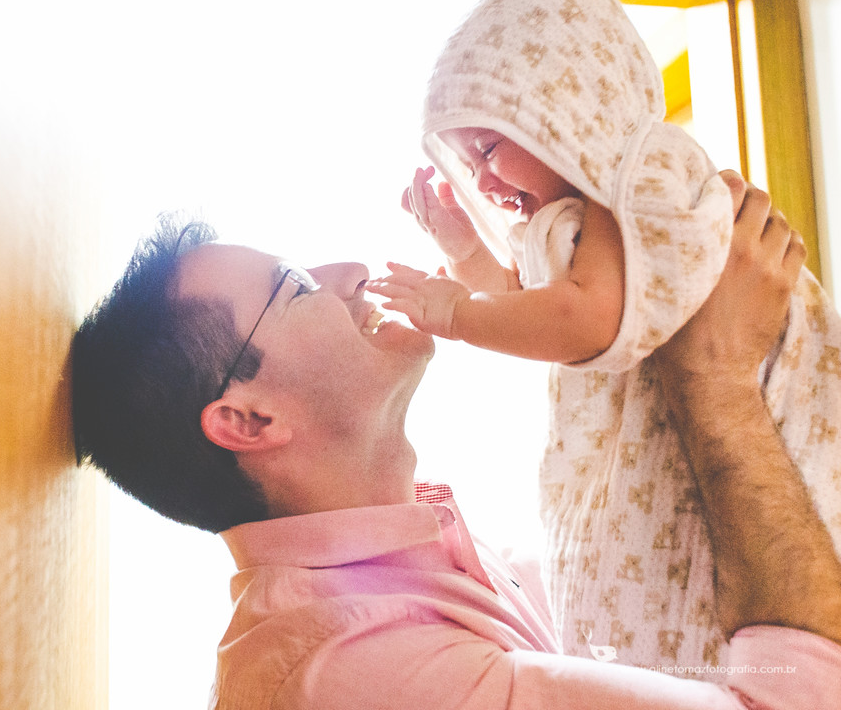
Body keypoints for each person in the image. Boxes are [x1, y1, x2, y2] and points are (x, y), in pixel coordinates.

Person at [72, 176, 841, 709]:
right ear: (249, 420)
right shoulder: (348, 674)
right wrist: (716, 379)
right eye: (297, 287)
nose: (351, 273)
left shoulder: (432, 560)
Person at [366, 0, 841, 674]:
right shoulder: (571, 223)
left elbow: (581, 320)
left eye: (490, 147)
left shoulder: (638, 181)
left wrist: (455, 311)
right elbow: (531, 300)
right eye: (469, 160)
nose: (485, 180)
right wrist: (463, 249)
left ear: (562, 109)